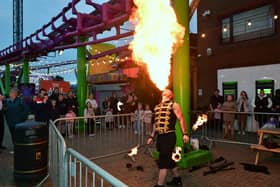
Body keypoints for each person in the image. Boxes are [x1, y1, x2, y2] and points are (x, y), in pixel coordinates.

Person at [147, 89, 189, 187]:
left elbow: (181, 118)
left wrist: (185, 133)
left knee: (163, 162)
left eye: (167, 92)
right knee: (169, 160)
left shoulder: (174, 105)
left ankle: (159, 185)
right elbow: (156, 124)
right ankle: (177, 179)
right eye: (164, 92)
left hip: (169, 136)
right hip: (160, 137)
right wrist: (152, 136)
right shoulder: (157, 107)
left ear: (170, 96)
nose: (164, 92)